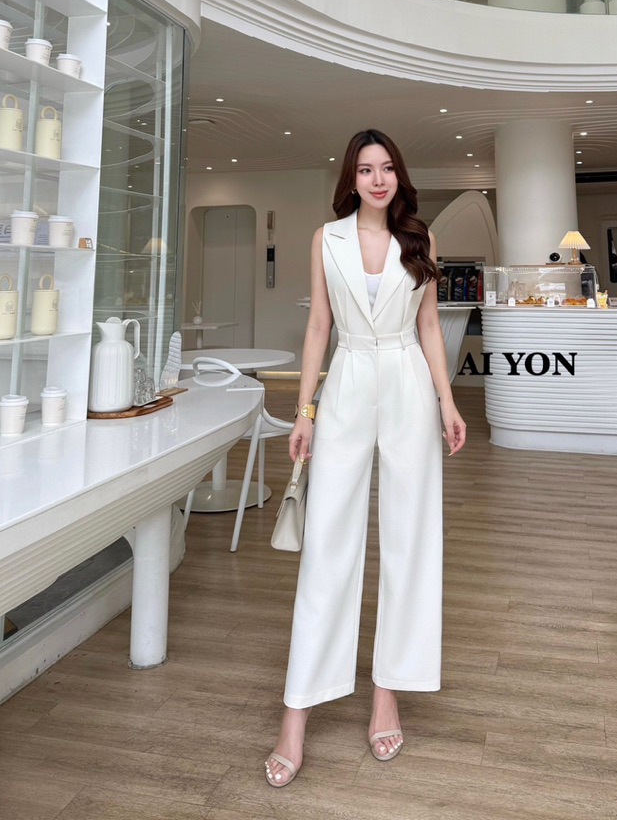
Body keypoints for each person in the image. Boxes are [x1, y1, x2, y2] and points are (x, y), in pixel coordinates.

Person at [265, 128, 467, 787]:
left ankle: (388, 693)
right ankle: (296, 713)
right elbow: (318, 326)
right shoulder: (327, 239)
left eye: (386, 168)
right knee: (328, 542)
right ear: (350, 180)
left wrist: (447, 402)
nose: (377, 179)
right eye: (365, 169)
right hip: (349, 381)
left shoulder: (420, 238)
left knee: (411, 540)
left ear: (398, 175)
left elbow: (429, 326)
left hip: (408, 383)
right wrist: (305, 409)